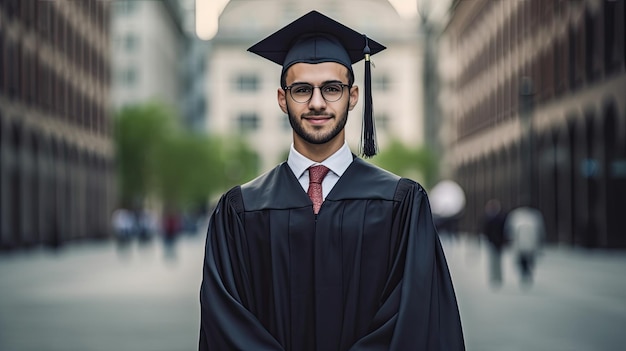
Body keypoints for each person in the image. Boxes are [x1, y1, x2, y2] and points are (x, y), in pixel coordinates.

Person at [199, 11, 465, 351]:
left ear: (353, 96)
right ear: (282, 100)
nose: (317, 102)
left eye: (332, 89)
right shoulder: (240, 210)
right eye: (301, 90)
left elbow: (415, 315)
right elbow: (226, 321)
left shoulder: (401, 204)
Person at [504, 205, 546, 287]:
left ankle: (526, 273)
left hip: (526, 245)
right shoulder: (533, 216)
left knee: (527, 260)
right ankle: (525, 273)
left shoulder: (518, 216)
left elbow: (509, 230)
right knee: (524, 260)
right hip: (524, 245)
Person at [482, 199, 507, 287]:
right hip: (496, 242)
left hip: (494, 242)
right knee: (496, 261)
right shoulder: (500, 217)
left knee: (494, 261)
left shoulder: (490, 218)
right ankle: (497, 277)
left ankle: (495, 277)